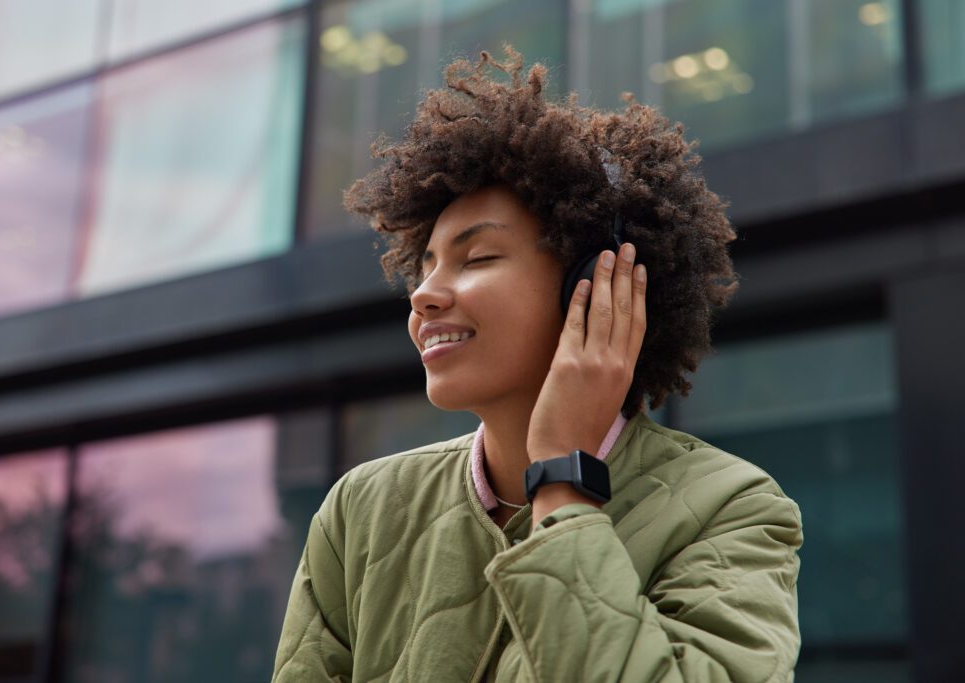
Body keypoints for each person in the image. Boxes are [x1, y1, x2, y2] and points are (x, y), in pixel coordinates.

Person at [272, 46, 802, 682]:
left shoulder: (728, 506)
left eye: (479, 259)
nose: (424, 294)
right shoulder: (361, 509)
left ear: (597, 285)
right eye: (427, 265)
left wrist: (563, 479)